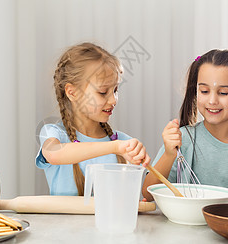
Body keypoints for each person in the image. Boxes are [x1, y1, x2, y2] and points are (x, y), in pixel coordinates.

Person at [142, 49, 228, 208]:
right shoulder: (183, 140)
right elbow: (147, 194)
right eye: (204, 91)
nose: (212, 100)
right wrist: (169, 154)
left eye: (223, 93)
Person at [36, 43, 150, 196]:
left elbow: (148, 192)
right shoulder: (54, 133)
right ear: (72, 92)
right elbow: (54, 154)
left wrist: (168, 154)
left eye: (115, 90)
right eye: (103, 92)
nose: (113, 100)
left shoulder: (123, 142)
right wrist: (114, 147)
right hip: (63, 221)